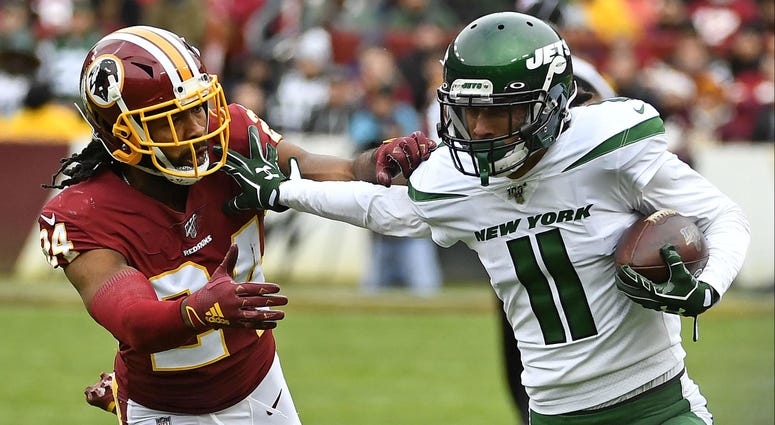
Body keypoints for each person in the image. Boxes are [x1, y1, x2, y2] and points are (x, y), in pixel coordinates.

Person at [223, 12, 750, 425]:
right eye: (468, 111)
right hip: (553, 411)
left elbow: (724, 217)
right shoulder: (456, 180)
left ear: (549, 105)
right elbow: (382, 210)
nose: (478, 128)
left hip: (656, 401)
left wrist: (708, 287)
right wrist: (285, 192)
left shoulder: (606, 148)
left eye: (498, 111)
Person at [38, 25, 433, 424]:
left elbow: (333, 170)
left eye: (197, 108)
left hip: (262, 385)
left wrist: (379, 161)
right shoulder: (83, 213)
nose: (197, 128)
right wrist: (199, 311)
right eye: (171, 120)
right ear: (123, 135)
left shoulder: (233, 138)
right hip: (163, 409)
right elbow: (130, 319)